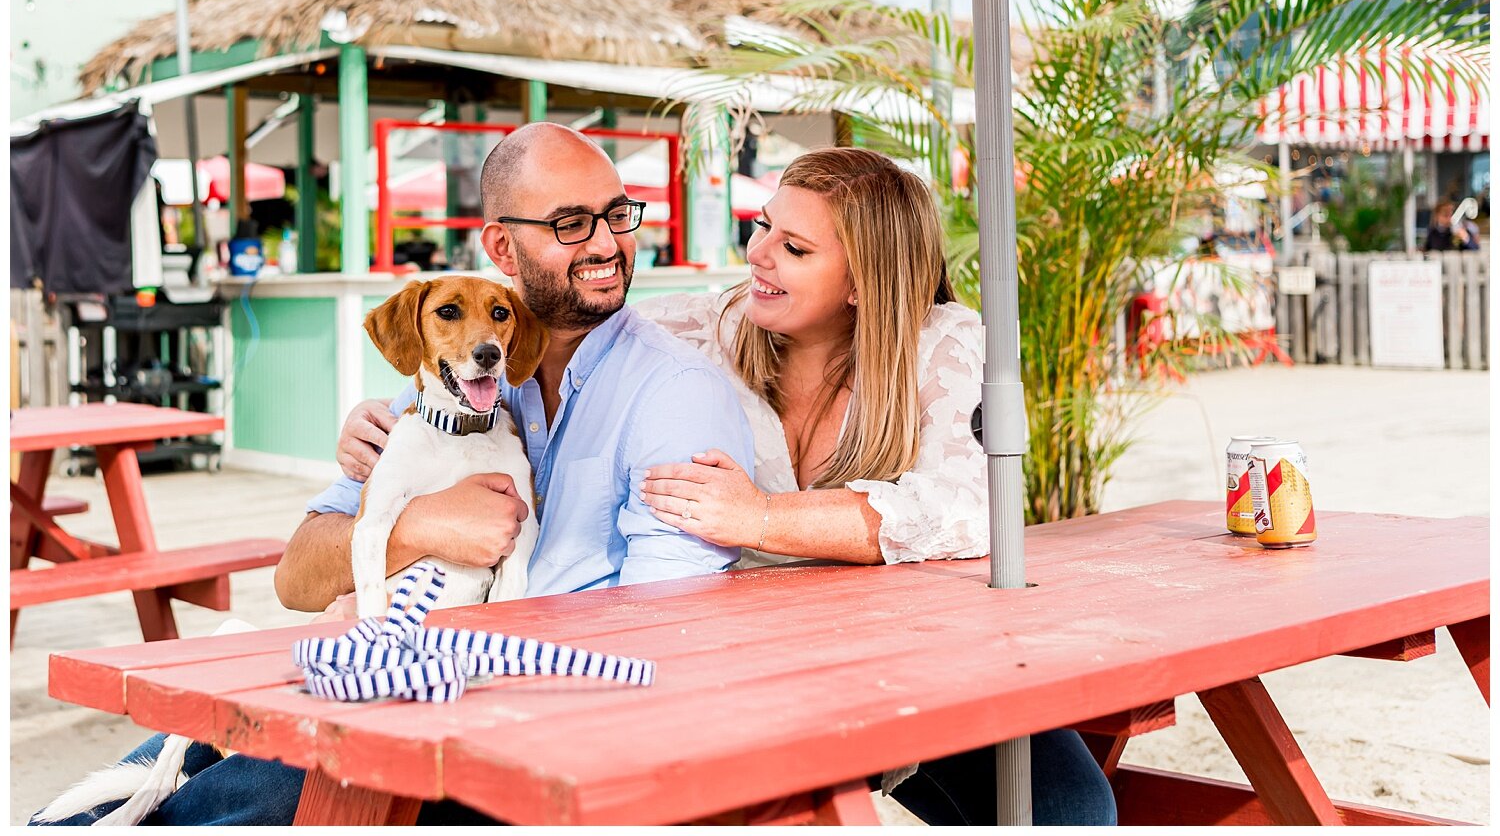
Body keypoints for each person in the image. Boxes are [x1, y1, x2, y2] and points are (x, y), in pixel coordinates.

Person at [32, 122, 755, 826]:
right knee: (149, 770)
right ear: (500, 245)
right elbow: (298, 579)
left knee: (237, 780)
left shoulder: (675, 395)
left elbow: (668, 630)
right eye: (570, 222)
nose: (606, 243)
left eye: (617, 214)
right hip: (388, 680)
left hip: (509, 725)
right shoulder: (439, 380)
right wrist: (415, 528)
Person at [617, 147, 1114, 825]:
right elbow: (525, 340)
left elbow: (970, 508)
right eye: (761, 226)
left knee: (1068, 808)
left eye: (793, 247)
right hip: (734, 667)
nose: (757, 253)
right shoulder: (701, 328)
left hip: (907, 656)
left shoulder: (942, 341)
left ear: (862, 282)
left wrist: (760, 517)